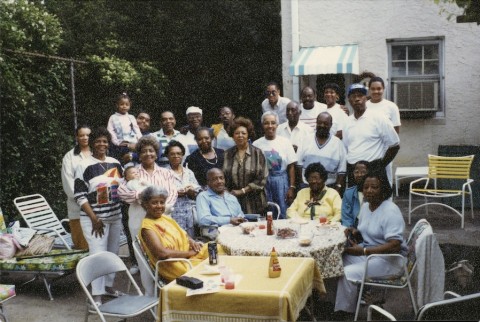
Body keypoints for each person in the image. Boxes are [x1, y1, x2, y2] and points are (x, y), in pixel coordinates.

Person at [334, 168, 407, 317]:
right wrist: (355, 232)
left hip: (390, 261)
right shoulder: (366, 207)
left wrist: (364, 251)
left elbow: (395, 245)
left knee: (347, 274)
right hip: (371, 254)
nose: (369, 191)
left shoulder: (390, 211)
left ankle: (345, 313)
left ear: (383, 190)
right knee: (337, 261)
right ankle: (343, 301)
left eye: (374, 187)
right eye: (366, 187)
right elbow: (369, 232)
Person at [118, 135, 177, 296]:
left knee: (164, 254)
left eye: (151, 151)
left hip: (163, 219)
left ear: (156, 154)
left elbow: (172, 193)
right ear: (139, 154)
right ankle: (149, 296)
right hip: (139, 220)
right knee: (144, 259)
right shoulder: (132, 173)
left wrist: (161, 207)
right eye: (143, 151)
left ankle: (167, 296)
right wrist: (144, 197)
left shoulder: (166, 173)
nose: (148, 154)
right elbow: (122, 192)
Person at [73, 127, 124, 305]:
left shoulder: (116, 163)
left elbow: (123, 188)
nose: (102, 144)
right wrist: (95, 219)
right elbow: (79, 196)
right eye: (98, 141)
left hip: (115, 217)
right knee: (98, 255)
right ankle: (96, 295)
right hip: (94, 219)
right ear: (92, 144)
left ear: (108, 143)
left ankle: (108, 287)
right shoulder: (83, 164)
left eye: (104, 141)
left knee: (113, 254)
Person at [139, 186, 211, 283]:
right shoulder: (147, 228)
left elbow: (183, 234)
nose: (159, 206)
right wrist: (190, 253)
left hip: (187, 255)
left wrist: (192, 241)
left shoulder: (164, 217)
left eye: (162, 202)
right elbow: (162, 254)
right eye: (154, 203)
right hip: (175, 265)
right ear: (145, 205)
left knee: (216, 249)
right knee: (211, 267)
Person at [342, 83, 400, 187]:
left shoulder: (379, 118)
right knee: (356, 202)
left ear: (366, 98)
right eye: (353, 96)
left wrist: (380, 166)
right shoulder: (346, 122)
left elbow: (395, 145)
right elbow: (346, 148)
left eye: (360, 95)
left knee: (376, 203)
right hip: (353, 172)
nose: (357, 99)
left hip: (374, 170)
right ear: (349, 100)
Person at [253, 111, 297, 219]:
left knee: (283, 210)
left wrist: (291, 187)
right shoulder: (256, 144)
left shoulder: (285, 142)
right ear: (262, 125)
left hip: (281, 181)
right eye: (266, 123)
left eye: (273, 123)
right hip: (264, 183)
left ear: (277, 125)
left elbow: (291, 166)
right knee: (267, 211)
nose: (270, 126)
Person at [223, 117, 268, 214]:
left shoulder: (258, 153)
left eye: (243, 133)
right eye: (237, 133)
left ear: (248, 135)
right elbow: (223, 177)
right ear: (232, 135)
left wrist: (243, 191)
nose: (240, 136)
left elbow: (262, 179)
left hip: (255, 202)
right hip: (233, 201)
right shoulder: (227, 154)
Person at [296, 112, 346, 194]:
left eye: (326, 123)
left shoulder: (338, 144)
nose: (322, 125)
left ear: (331, 125)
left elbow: (342, 170)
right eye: (319, 123)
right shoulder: (305, 140)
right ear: (316, 123)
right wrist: (302, 184)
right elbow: (299, 165)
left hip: (329, 187)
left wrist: (338, 187)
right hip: (307, 186)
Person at [61, 125, 91, 250]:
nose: (85, 138)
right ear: (77, 137)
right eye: (81, 135)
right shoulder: (69, 157)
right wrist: (83, 200)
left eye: (88, 135)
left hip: (97, 206)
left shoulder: (98, 153)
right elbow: (68, 181)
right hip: (77, 206)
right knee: (81, 244)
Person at [165, 140, 201, 237]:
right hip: (173, 215)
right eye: (172, 154)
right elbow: (161, 194)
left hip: (189, 216)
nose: (176, 156)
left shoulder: (189, 172)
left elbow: (197, 193)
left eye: (179, 153)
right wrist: (175, 193)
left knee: (191, 243)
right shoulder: (164, 174)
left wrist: (191, 191)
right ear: (167, 156)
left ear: (182, 155)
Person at [106, 92, 142, 161]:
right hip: (120, 144)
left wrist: (140, 141)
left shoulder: (131, 117)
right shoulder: (113, 117)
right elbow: (110, 131)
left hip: (133, 142)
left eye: (127, 104)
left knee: (134, 159)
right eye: (122, 104)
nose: (124, 106)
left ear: (130, 105)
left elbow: (136, 129)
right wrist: (117, 143)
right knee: (122, 160)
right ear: (117, 105)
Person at [341, 160, 369, 228]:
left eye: (363, 172)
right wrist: (350, 230)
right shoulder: (349, 193)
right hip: (353, 227)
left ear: (369, 173)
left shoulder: (374, 193)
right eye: (356, 172)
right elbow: (346, 217)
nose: (359, 175)